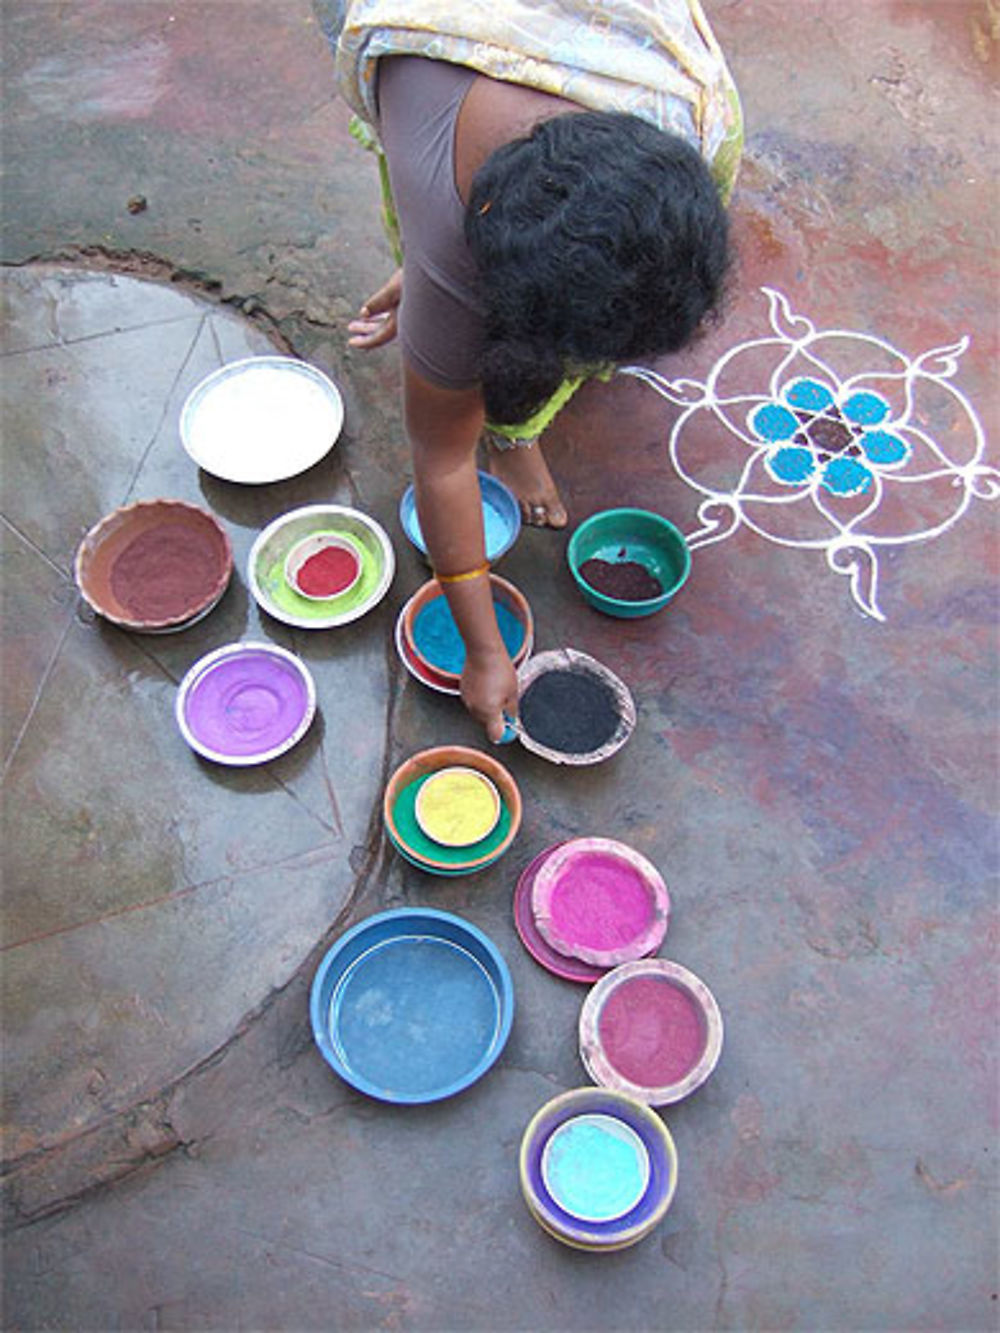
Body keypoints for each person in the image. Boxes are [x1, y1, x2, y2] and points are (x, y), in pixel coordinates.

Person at [314, 1, 741, 741]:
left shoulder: (688, 120)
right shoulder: (456, 246)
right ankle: (505, 420)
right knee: (434, 263)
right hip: (432, 39)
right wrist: (485, 651)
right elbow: (444, 460)